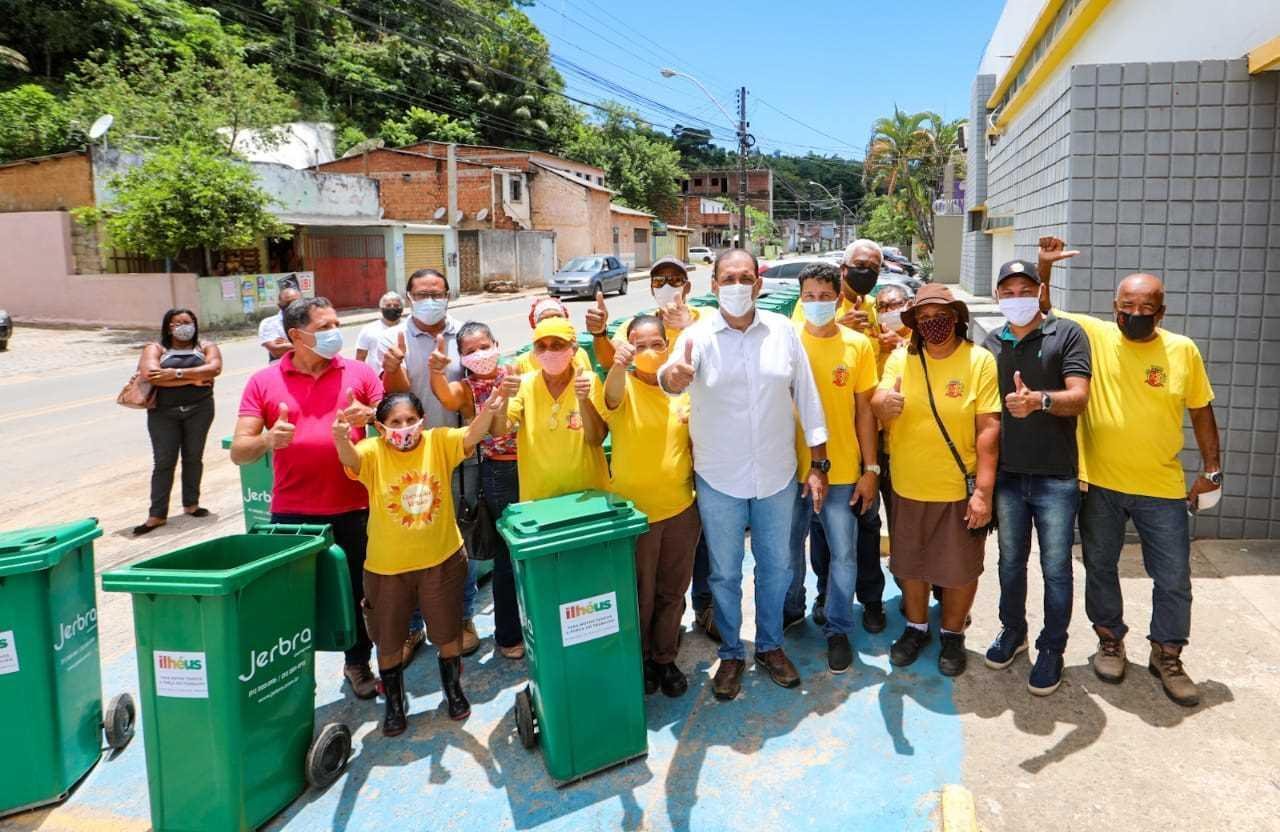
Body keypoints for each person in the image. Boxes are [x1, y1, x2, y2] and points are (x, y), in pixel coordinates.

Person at [1037, 236, 1220, 707]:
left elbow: (1201, 411)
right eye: (1126, 305)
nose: (1135, 313)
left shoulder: (1183, 351)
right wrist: (1044, 268)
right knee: (1100, 567)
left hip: (1161, 487)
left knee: (1174, 576)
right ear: (1114, 307)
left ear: (1161, 312)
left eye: (1146, 306)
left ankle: (1167, 653)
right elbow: (1041, 312)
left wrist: (1212, 469)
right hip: (1100, 483)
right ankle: (1109, 640)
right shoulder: (1094, 336)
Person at [660, 249, 828, 700]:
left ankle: (771, 645)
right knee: (724, 573)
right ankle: (733, 652)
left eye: (745, 277)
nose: (737, 285)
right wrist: (671, 376)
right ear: (713, 286)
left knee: (777, 567)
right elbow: (671, 377)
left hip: (776, 473)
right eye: (727, 278)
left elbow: (809, 399)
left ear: (758, 284)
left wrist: (819, 464)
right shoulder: (696, 337)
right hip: (718, 475)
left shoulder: (784, 333)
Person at [231, 296, 383, 699]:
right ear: (295, 335)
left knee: (356, 593)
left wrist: (372, 418)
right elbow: (239, 451)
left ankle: (357, 664)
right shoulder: (263, 382)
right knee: (295, 602)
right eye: (324, 327)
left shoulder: (360, 373)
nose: (335, 333)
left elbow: (395, 426)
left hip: (356, 507)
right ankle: (295, 675)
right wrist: (267, 439)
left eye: (337, 323)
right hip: (294, 514)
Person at [334, 389, 505, 735]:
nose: (404, 428)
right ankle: (395, 704)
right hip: (387, 569)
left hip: (441, 560)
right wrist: (340, 436)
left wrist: (489, 409)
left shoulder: (438, 442)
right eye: (395, 422)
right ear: (380, 428)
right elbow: (351, 461)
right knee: (389, 639)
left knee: (447, 631)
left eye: (411, 420)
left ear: (422, 421)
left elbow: (472, 435)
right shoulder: (372, 451)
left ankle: (453, 690)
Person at [871, 284, 1000, 677]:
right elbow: (879, 397)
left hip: (957, 489)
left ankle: (952, 633)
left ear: (957, 318)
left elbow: (989, 429)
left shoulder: (979, 361)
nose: (932, 324)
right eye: (923, 319)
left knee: (959, 568)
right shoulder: (900, 358)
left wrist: (983, 490)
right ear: (914, 325)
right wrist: (881, 405)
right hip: (907, 486)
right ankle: (916, 628)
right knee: (909, 565)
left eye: (940, 316)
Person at [981, 258, 1092, 697]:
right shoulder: (991, 342)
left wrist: (1039, 401)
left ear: (1039, 291)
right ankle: (1013, 631)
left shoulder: (1066, 333)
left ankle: (1052, 648)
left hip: (1055, 477)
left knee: (1056, 568)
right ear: (997, 297)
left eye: (1023, 290)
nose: (1015, 299)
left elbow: (1079, 397)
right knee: (1009, 563)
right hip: (1008, 475)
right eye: (1006, 292)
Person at [783, 263, 880, 673]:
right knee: (787, 554)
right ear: (799, 299)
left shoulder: (858, 345)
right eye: (809, 297)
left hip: (841, 471)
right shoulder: (786, 342)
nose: (817, 304)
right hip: (787, 470)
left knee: (843, 555)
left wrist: (870, 467)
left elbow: (864, 412)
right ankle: (790, 610)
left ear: (838, 299)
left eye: (825, 297)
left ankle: (838, 628)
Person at [381, 268, 481, 657]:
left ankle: (462, 617)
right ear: (408, 297)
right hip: (407, 458)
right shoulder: (393, 339)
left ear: (448, 294)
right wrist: (393, 369)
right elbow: (390, 400)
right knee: (410, 540)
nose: (429, 298)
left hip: (457, 452)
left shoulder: (467, 334)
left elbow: (482, 381)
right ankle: (412, 626)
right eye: (421, 293)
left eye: (436, 292)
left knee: (460, 539)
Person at [602, 314, 699, 697]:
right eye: (638, 344)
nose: (648, 351)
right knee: (638, 593)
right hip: (635, 516)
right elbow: (609, 397)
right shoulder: (620, 386)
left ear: (667, 346)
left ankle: (664, 657)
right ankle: (640, 658)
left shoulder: (682, 390)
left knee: (672, 590)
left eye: (655, 344)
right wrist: (618, 363)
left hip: (680, 509)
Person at [429, 321, 525, 660]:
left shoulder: (516, 372)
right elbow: (445, 395)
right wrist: (437, 373)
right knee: (506, 555)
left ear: (497, 344)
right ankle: (508, 634)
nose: (480, 355)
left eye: (485, 346)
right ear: (462, 358)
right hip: (498, 471)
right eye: (470, 351)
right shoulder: (466, 389)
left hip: (534, 466)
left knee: (532, 549)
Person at [491, 316, 609, 501]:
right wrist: (504, 399)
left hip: (588, 493)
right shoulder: (525, 384)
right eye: (541, 346)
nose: (548, 352)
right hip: (539, 496)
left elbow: (597, 439)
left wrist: (584, 400)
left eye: (557, 345)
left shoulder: (589, 381)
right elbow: (499, 430)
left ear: (574, 349)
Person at [133, 309, 223, 535]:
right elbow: (149, 374)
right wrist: (193, 379)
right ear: (168, 327)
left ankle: (191, 504)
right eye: (178, 323)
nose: (184, 326)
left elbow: (214, 369)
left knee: (193, 457)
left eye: (188, 322)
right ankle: (157, 514)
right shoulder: (155, 348)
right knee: (164, 462)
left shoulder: (206, 346)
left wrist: (173, 375)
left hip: (200, 410)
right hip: (163, 413)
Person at [590, 256, 704, 369]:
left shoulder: (706, 317)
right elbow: (609, 363)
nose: (666, 286)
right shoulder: (637, 325)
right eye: (658, 281)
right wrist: (600, 333)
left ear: (687, 287)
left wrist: (689, 326)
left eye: (675, 280)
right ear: (652, 290)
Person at [512, 296, 594, 375]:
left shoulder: (580, 354)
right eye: (544, 319)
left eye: (557, 317)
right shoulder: (522, 364)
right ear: (536, 325)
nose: (552, 322)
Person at [355, 292, 405, 369]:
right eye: (388, 305)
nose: (392, 308)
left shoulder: (408, 327)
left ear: (402, 309)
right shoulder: (368, 329)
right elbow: (360, 358)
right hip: (377, 378)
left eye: (396, 306)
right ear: (381, 309)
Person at [258, 286, 301, 363]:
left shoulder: (311, 319)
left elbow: (321, 345)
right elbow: (276, 352)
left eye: (296, 302)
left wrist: (287, 344)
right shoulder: (269, 323)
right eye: (288, 303)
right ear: (279, 305)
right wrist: (307, 344)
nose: (293, 306)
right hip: (281, 368)